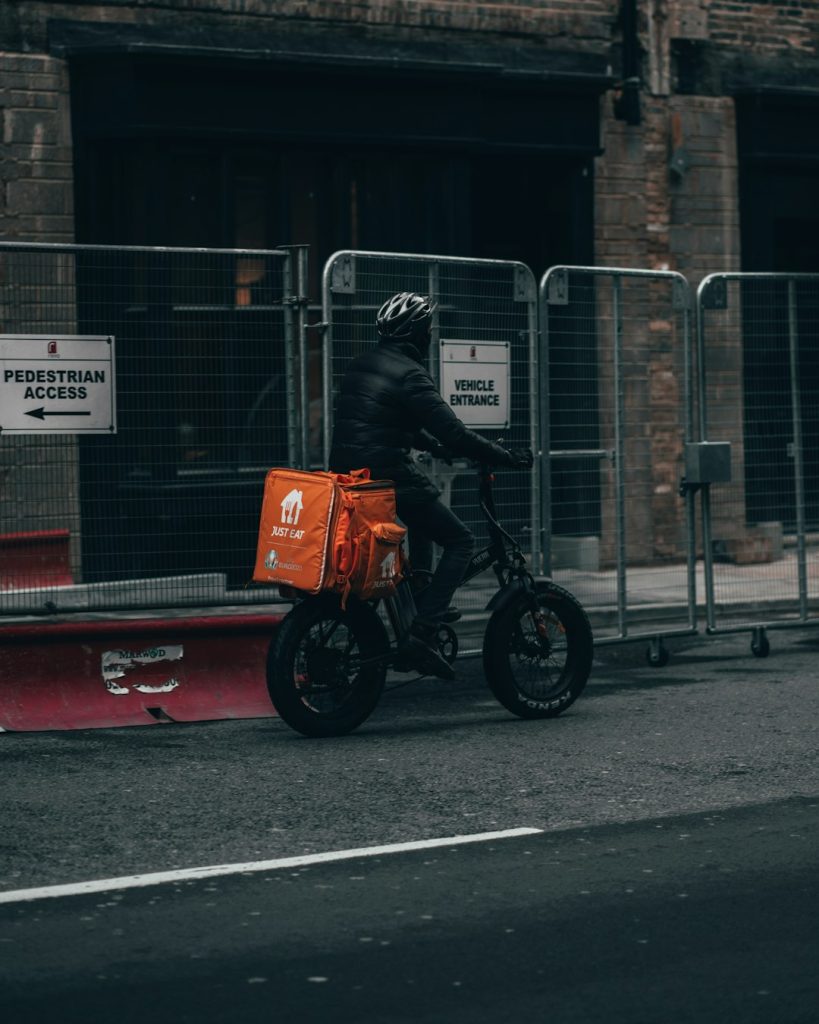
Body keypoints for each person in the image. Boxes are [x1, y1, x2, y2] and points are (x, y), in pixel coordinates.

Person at [329, 291, 532, 678]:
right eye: (429, 329)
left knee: (425, 510)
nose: (430, 336)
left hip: (350, 479)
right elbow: (453, 431)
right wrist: (505, 456)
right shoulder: (409, 373)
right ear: (418, 334)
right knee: (460, 540)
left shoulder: (362, 364)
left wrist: (431, 446)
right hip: (387, 476)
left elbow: (383, 418)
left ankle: (422, 593)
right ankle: (421, 633)